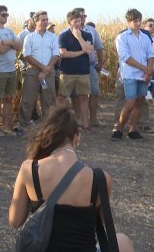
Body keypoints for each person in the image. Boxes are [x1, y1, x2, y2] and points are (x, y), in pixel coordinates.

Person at [9, 107, 134, 252]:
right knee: (123, 241)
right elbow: (99, 223)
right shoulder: (100, 179)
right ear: (77, 138)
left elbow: (15, 221)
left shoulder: (29, 169)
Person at [111, 9, 154, 141]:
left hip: (144, 75)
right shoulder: (122, 37)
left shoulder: (145, 37)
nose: (138, 23)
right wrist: (144, 68)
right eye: (135, 21)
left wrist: (149, 71)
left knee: (139, 102)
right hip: (130, 75)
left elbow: (150, 54)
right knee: (130, 103)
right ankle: (118, 130)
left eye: (139, 20)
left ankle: (132, 130)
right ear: (128, 22)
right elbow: (125, 57)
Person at [17, 11, 60, 131]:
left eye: (47, 19)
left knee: (49, 100)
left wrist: (46, 70)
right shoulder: (29, 37)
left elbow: (56, 54)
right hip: (33, 72)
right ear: (36, 22)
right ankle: (24, 125)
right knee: (28, 99)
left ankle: (48, 126)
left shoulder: (52, 37)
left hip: (48, 72)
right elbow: (27, 56)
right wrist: (42, 68)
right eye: (43, 20)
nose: (46, 22)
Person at [57, 10, 94, 132]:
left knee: (83, 98)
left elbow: (89, 50)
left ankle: (85, 124)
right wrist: (82, 51)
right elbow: (64, 54)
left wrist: (79, 37)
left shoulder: (87, 35)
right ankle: (61, 124)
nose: (79, 23)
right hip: (67, 72)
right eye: (75, 21)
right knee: (63, 98)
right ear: (69, 22)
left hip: (83, 72)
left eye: (80, 20)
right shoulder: (63, 36)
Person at [0, 5, 22, 136]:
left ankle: (6, 126)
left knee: (8, 99)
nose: (6, 17)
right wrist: (11, 44)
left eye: (7, 14)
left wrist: (8, 42)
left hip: (11, 70)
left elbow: (19, 46)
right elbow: (0, 50)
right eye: (3, 15)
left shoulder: (9, 31)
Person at [69, 8, 105, 128]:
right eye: (81, 16)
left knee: (94, 92)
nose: (84, 18)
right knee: (76, 94)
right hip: (75, 67)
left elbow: (99, 47)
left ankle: (93, 119)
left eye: (85, 16)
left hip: (90, 67)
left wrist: (101, 63)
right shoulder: (66, 32)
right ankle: (78, 118)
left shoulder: (92, 31)